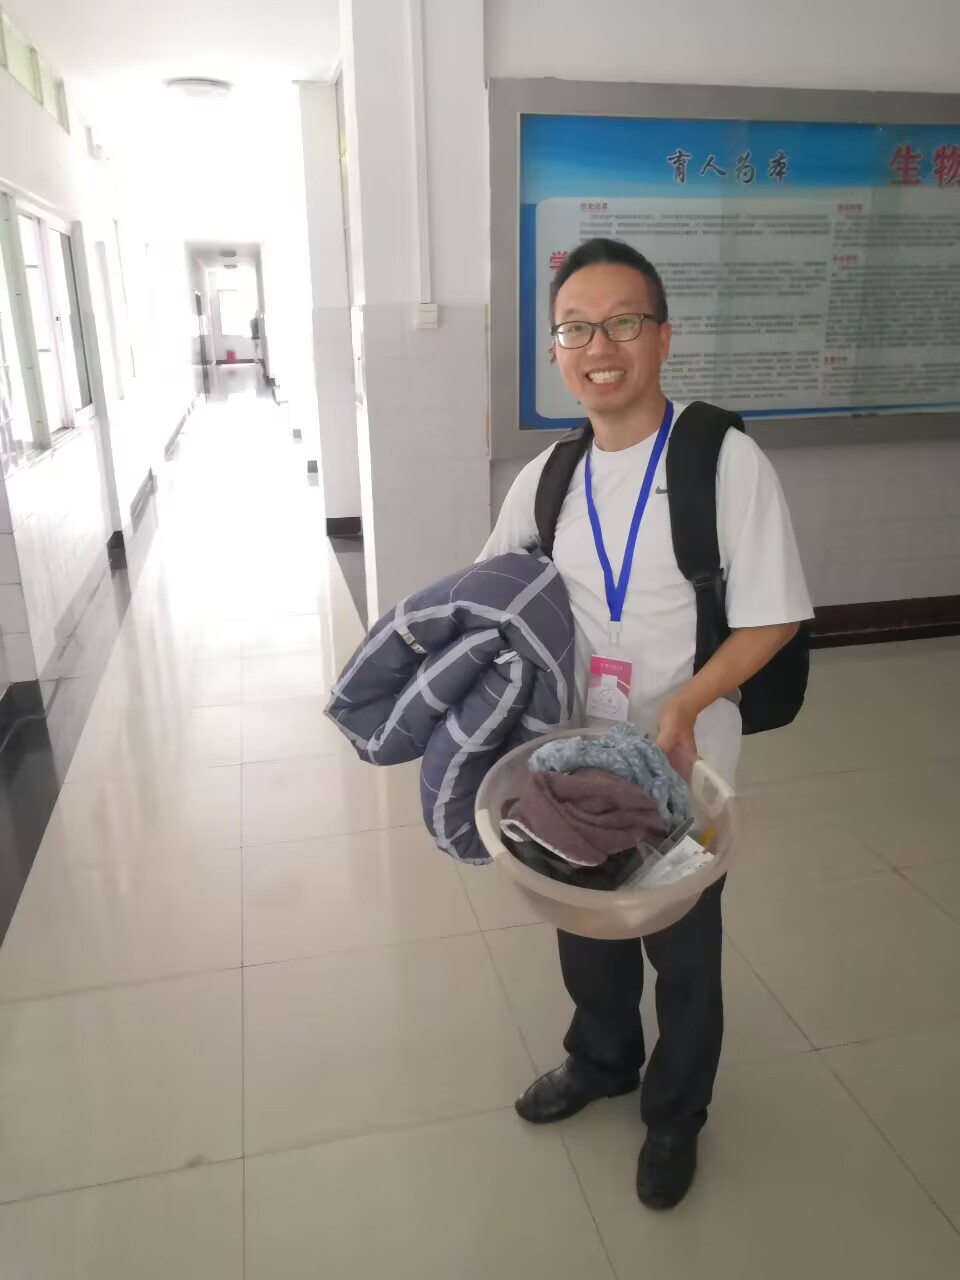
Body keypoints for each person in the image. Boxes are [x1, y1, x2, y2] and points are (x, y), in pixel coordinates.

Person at [481, 238, 813, 1210]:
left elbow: (773, 616)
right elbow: (494, 595)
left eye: (623, 322)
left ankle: (676, 1112)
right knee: (585, 918)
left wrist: (685, 703)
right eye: (576, 329)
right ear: (556, 351)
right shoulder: (547, 477)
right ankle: (602, 1058)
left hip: (686, 761)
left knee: (683, 945)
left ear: (662, 337)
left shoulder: (722, 460)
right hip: (570, 757)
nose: (600, 346)